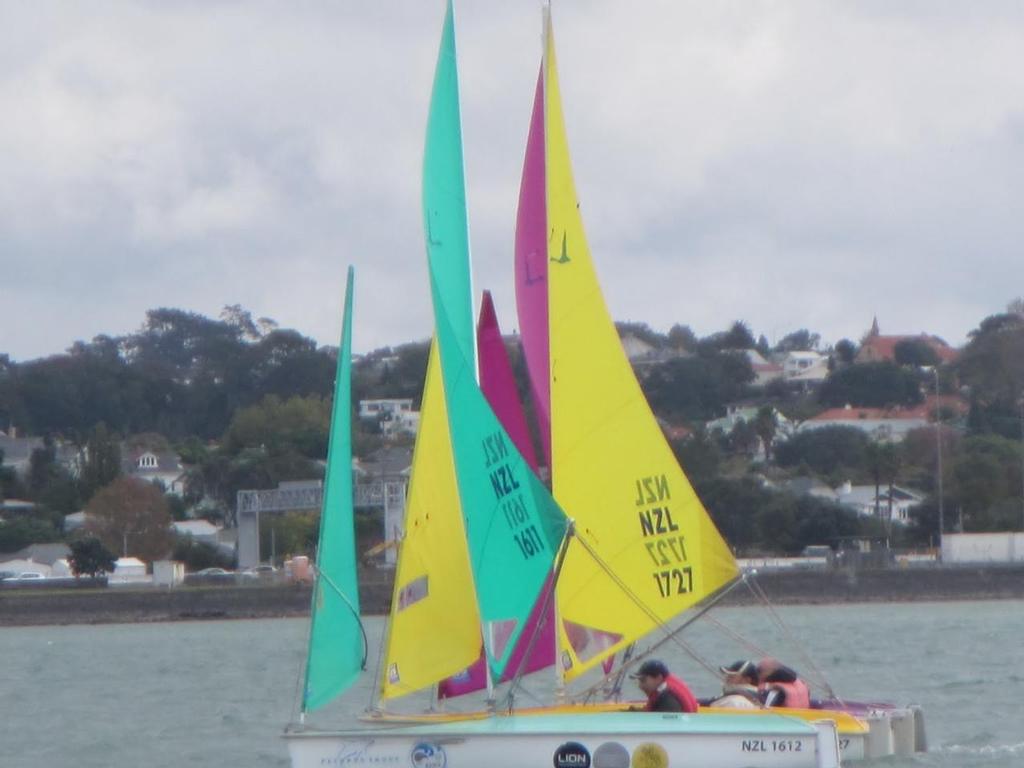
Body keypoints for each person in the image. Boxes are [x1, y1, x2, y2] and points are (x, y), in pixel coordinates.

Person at [630, 659, 699, 713]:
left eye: (643, 680)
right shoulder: (668, 688)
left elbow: (667, 726)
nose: (640, 686)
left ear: (659, 678)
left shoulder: (667, 698)